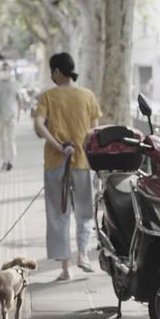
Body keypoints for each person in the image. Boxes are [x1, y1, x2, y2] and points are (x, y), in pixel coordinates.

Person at [33, 53, 101, 281]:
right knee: (85, 211)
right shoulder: (87, 95)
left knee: (58, 213)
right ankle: (83, 254)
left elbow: (38, 125)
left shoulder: (48, 97)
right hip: (83, 162)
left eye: (52, 71)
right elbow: (93, 131)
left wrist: (58, 145)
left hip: (55, 162)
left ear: (57, 72)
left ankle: (65, 269)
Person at [0, 61, 22, 171]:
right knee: (1, 139)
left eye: (7, 69)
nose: (5, 71)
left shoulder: (16, 83)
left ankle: (9, 161)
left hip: (11, 116)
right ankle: (4, 160)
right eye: (3, 69)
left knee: (10, 139)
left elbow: (19, 100)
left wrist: (19, 115)